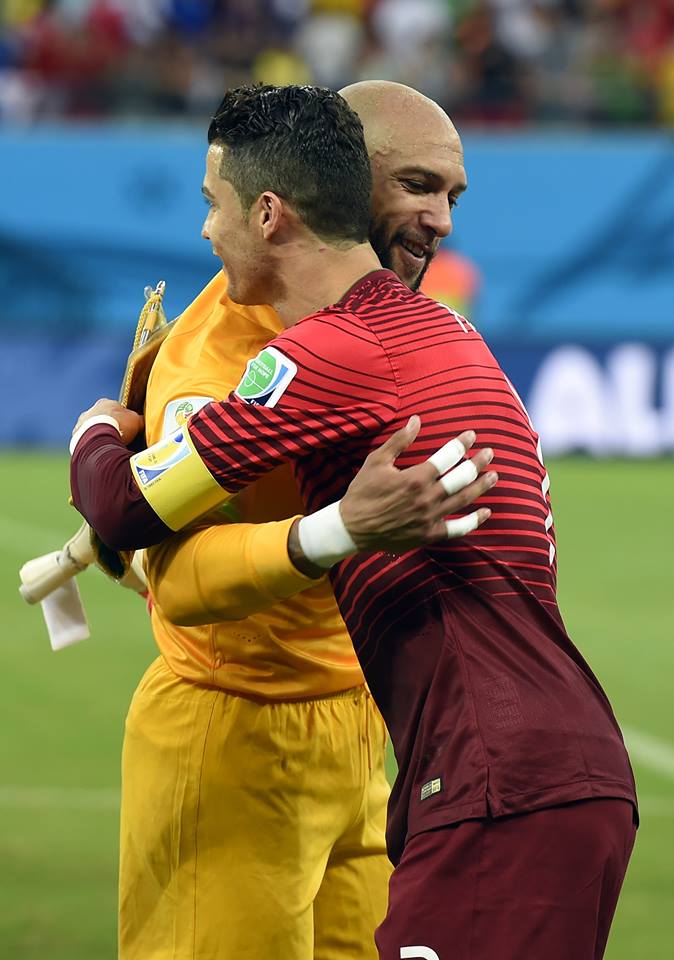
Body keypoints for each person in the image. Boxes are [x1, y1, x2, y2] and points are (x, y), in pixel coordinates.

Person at [71, 83, 637, 960]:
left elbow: (119, 501)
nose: (440, 220)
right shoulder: (249, 347)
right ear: (340, 179)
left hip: (425, 744)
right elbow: (172, 574)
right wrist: (331, 530)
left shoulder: (360, 339)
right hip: (247, 724)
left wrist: (98, 430)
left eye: (452, 195)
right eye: (418, 186)